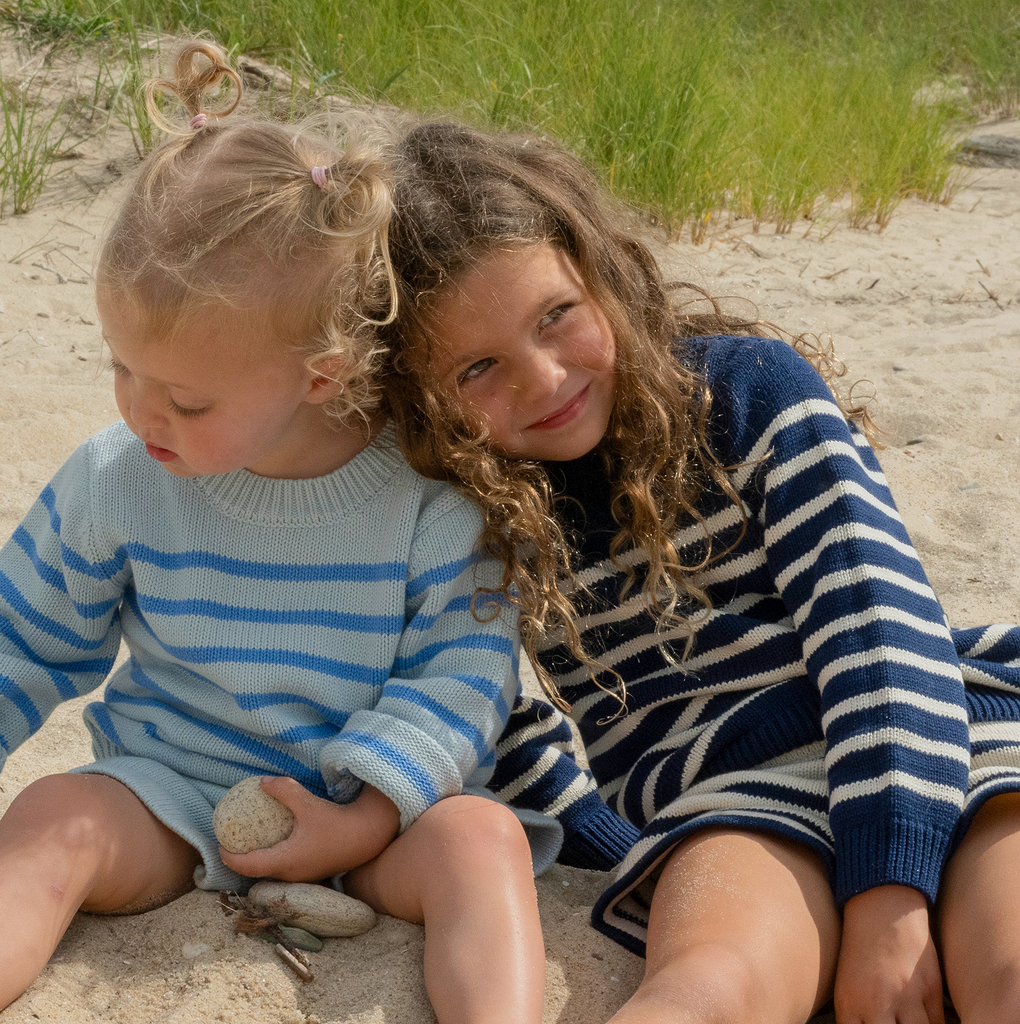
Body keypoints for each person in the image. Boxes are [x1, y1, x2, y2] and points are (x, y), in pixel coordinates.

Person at [0, 47, 634, 1023]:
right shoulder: (117, 479)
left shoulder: (426, 498)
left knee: (483, 842)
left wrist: (358, 820)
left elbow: (462, 679)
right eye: (122, 367)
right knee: (55, 817)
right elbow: (19, 638)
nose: (142, 413)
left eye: (187, 398)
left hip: (377, 823)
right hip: (175, 798)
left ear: (324, 376)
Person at [376, 119, 1020, 1024]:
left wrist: (889, 894)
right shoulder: (474, 506)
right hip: (733, 801)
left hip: (934, 741)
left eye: (556, 316)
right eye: (479, 367)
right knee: (703, 989)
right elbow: (480, 708)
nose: (544, 377)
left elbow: (877, 628)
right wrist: (616, 839)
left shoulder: (750, 390)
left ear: (601, 270)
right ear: (422, 394)